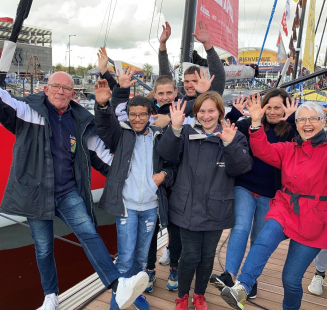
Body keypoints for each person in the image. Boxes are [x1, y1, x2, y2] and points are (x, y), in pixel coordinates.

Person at [0, 39, 148, 310]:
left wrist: (136, 174)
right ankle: (50, 296)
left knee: (89, 233)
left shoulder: (81, 123)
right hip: (35, 191)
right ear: (46, 89)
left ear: (73, 94)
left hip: (68, 192)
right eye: (56, 86)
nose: (61, 91)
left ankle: (117, 285)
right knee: (43, 249)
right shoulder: (26, 111)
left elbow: (104, 158)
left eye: (67, 88)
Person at [110, 67, 214, 294]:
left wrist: (202, 95)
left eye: (170, 92)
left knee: (174, 233)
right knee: (146, 239)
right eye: (161, 93)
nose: (166, 97)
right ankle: (147, 271)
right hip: (154, 187)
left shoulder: (184, 111)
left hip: (176, 183)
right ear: (154, 95)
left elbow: (205, 118)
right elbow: (114, 122)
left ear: (175, 93)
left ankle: (173, 267)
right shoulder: (148, 118)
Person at [220, 99, 327, 310]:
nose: (307, 123)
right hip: (285, 207)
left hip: (315, 219)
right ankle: (243, 286)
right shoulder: (290, 148)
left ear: (323, 121)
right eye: (302, 119)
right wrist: (257, 123)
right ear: (295, 124)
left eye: (313, 119)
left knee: (291, 279)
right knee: (263, 239)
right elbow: (262, 150)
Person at [157, 92, 253, 310]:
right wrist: (174, 128)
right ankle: (182, 296)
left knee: (208, 256)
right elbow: (166, 154)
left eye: (211, 110)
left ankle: (199, 295)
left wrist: (229, 145)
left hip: (216, 208)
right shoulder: (185, 132)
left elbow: (241, 168)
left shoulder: (233, 135)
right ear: (196, 113)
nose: (206, 115)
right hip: (187, 207)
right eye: (202, 111)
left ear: (220, 112)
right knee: (189, 255)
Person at [94, 79, 176, 310]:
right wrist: (102, 106)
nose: (137, 119)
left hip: (151, 207)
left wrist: (164, 176)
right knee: (125, 258)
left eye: (142, 114)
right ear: (127, 115)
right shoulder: (120, 135)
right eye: (133, 114)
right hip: (127, 207)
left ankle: (137, 293)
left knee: (141, 258)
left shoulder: (159, 136)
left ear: (151, 114)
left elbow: (173, 164)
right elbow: (104, 126)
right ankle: (116, 301)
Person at [210, 89, 298, 298]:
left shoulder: (291, 130)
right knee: (240, 227)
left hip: (271, 193)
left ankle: (249, 281)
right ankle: (229, 274)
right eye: (270, 106)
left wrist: (293, 119)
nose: (273, 112)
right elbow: (225, 128)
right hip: (246, 186)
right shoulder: (248, 124)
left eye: (279, 107)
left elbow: (302, 142)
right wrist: (235, 113)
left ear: (286, 108)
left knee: (259, 238)